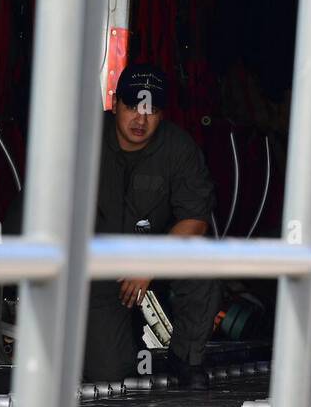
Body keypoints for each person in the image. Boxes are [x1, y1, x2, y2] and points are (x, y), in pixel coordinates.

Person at [82, 63, 219, 387]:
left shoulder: (178, 148)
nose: (140, 119)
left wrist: (149, 262)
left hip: (157, 262)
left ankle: (187, 359)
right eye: (132, 106)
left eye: (151, 110)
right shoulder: (83, 139)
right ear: (114, 104)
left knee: (203, 257)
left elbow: (195, 222)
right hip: (97, 270)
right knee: (109, 376)